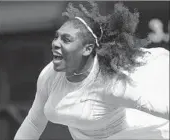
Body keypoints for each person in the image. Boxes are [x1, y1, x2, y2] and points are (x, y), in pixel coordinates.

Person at [14, 2, 169, 139]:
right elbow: (34, 123)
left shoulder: (112, 85)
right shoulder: (49, 75)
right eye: (56, 37)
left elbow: (163, 108)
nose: (55, 43)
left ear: (87, 49)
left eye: (66, 39)